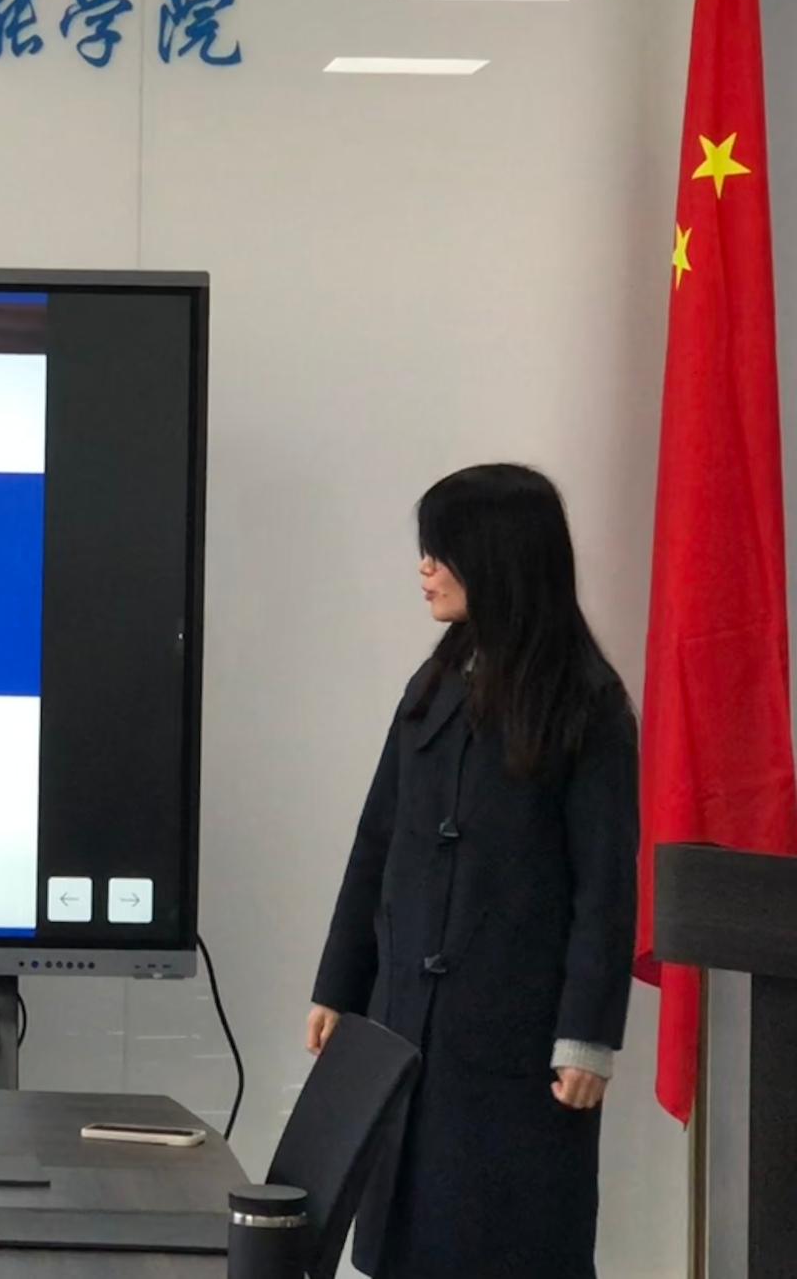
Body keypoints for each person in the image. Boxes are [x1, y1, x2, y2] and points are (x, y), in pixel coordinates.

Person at [309, 464, 638, 1279]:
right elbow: (375, 845)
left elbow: (605, 887)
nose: (424, 567)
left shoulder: (585, 701)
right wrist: (338, 987)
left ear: (499, 557)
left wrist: (587, 1036)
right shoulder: (430, 685)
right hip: (405, 1028)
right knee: (404, 1239)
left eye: (442, 549)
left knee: (507, 1241)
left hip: (516, 1043)